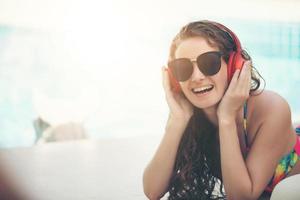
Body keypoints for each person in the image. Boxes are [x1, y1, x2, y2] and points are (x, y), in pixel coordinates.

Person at [143, 20, 300, 200]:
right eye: (183, 67)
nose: (196, 77)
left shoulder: (272, 109)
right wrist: (177, 121)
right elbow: (152, 191)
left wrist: (226, 118)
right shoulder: (190, 113)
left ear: (235, 66)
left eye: (209, 62)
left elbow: (242, 197)